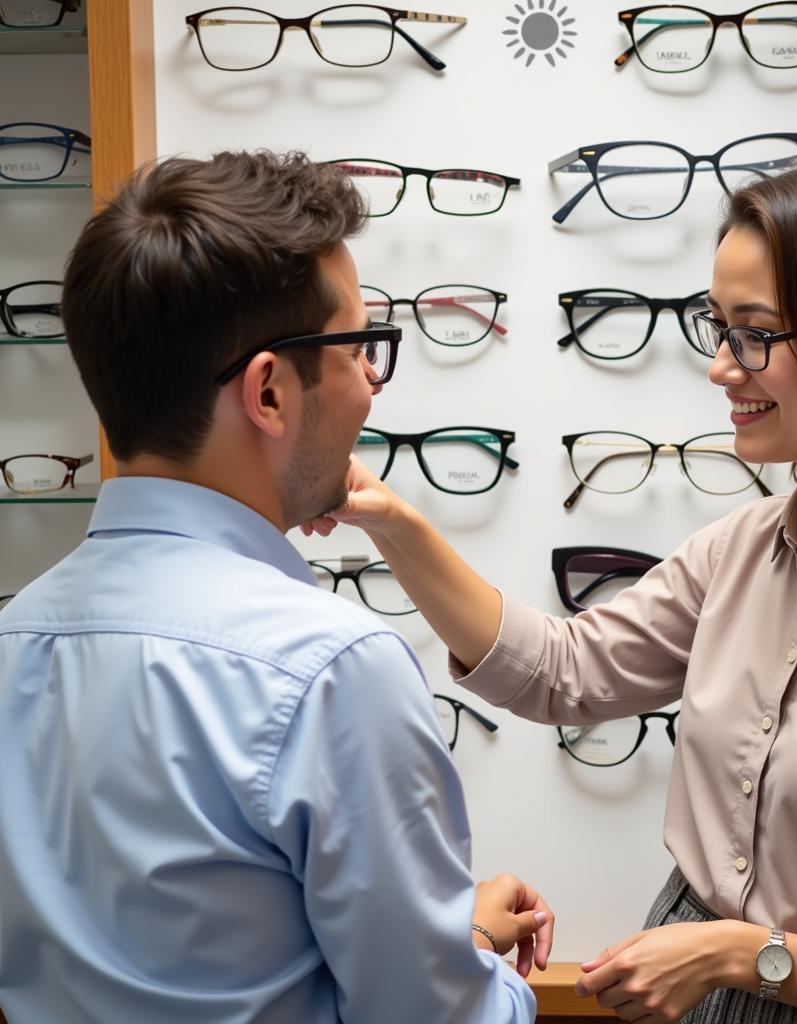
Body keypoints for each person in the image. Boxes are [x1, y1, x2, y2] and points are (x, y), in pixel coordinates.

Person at [304, 158, 797, 1023]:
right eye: (716, 327)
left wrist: (740, 953)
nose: (722, 368)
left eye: (754, 333)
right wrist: (394, 522)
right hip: (694, 982)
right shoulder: (742, 551)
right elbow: (562, 673)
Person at [0, 150, 553, 1024]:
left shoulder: (15, 640)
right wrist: (476, 958)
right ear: (268, 390)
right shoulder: (331, 671)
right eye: (360, 348)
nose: (371, 384)